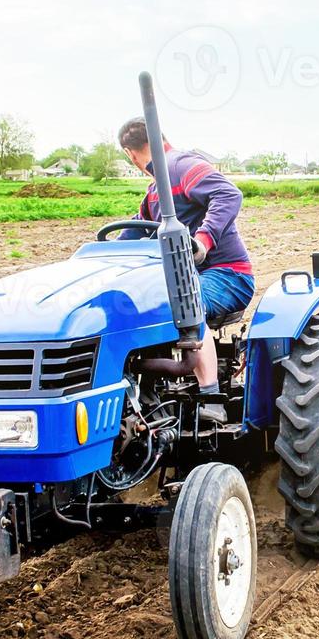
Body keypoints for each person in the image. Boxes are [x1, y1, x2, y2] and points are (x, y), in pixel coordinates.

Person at [116, 117, 254, 424]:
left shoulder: (179, 166)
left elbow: (229, 194)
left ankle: (211, 397)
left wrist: (203, 240)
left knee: (181, 300)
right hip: (189, 279)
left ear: (130, 153)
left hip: (227, 274)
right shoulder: (154, 193)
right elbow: (131, 237)